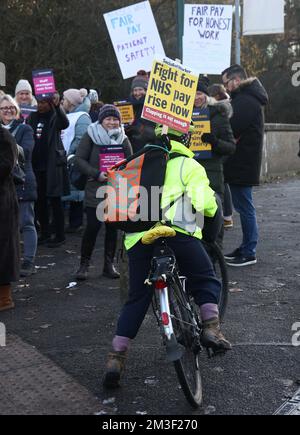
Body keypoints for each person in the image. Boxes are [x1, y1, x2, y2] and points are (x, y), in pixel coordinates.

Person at [103, 125, 231, 389]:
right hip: (177, 232)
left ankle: (116, 357)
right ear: (184, 139)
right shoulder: (188, 165)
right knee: (205, 277)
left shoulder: (134, 164)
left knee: (137, 297)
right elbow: (206, 204)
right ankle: (211, 328)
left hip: (139, 239)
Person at [74, 104, 132, 280]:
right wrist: (96, 174)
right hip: (95, 188)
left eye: (115, 119)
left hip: (116, 189)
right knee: (92, 227)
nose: (112, 122)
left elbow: (130, 162)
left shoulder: (123, 138)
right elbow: (79, 159)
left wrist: (122, 174)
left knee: (112, 229)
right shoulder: (90, 136)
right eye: (108, 119)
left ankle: (108, 265)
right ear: (101, 120)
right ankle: (84, 265)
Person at [221, 64, 269, 267]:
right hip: (242, 161)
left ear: (237, 80)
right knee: (243, 206)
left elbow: (232, 127)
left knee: (245, 207)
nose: (225, 88)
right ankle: (246, 247)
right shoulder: (246, 98)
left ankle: (249, 251)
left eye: (227, 83)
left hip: (243, 162)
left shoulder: (247, 100)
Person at [193, 78, 236, 248]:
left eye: (200, 93)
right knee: (194, 218)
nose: (197, 97)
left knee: (214, 218)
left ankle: (214, 257)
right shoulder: (182, 116)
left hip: (212, 175)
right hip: (190, 174)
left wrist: (214, 142)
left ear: (206, 95)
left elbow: (231, 147)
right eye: (193, 93)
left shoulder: (218, 115)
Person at [0, 94, 37, 277]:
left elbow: (27, 151)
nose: (8, 110)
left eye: (11, 108)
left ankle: (28, 260)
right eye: (4, 108)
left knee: (26, 222)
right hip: (5, 187)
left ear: (17, 111)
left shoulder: (25, 128)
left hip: (22, 180)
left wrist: (7, 142)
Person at [28, 93, 70, 248]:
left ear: (50, 103)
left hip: (52, 165)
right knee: (39, 201)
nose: (40, 105)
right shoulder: (32, 117)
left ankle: (59, 235)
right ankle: (45, 233)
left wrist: (57, 106)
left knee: (55, 200)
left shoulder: (55, 116)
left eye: (44, 102)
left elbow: (64, 123)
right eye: (38, 102)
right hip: (36, 165)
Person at [61, 88, 92, 233]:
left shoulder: (82, 117)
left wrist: (68, 154)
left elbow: (81, 139)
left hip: (73, 159)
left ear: (71, 102)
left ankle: (76, 223)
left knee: (76, 191)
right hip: (66, 158)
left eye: (64, 98)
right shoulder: (69, 115)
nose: (62, 101)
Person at [0, 126, 20, 311]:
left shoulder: (4, 136)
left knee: (3, 250)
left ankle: (4, 298)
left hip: (3, 203)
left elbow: (6, 166)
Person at [125, 70, 156, 153]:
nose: (137, 93)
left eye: (140, 89)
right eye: (135, 90)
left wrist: (137, 126)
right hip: (132, 147)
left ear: (146, 91)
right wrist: (126, 127)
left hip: (149, 147)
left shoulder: (152, 106)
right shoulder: (127, 107)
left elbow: (153, 132)